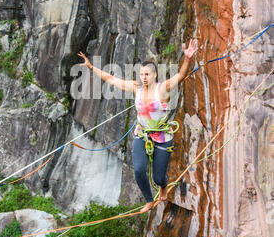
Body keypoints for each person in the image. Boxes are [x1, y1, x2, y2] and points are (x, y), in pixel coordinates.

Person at [78, 39, 198, 212]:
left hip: (162, 137)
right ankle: (149, 200)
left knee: (158, 178)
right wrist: (90, 67)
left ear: (155, 75)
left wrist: (187, 59)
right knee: (139, 170)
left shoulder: (162, 89)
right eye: (141, 74)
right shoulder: (136, 88)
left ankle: (162, 186)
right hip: (142, 134)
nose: (143, 78)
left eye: (147, 75)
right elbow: (111, 79)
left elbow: (180, 76)